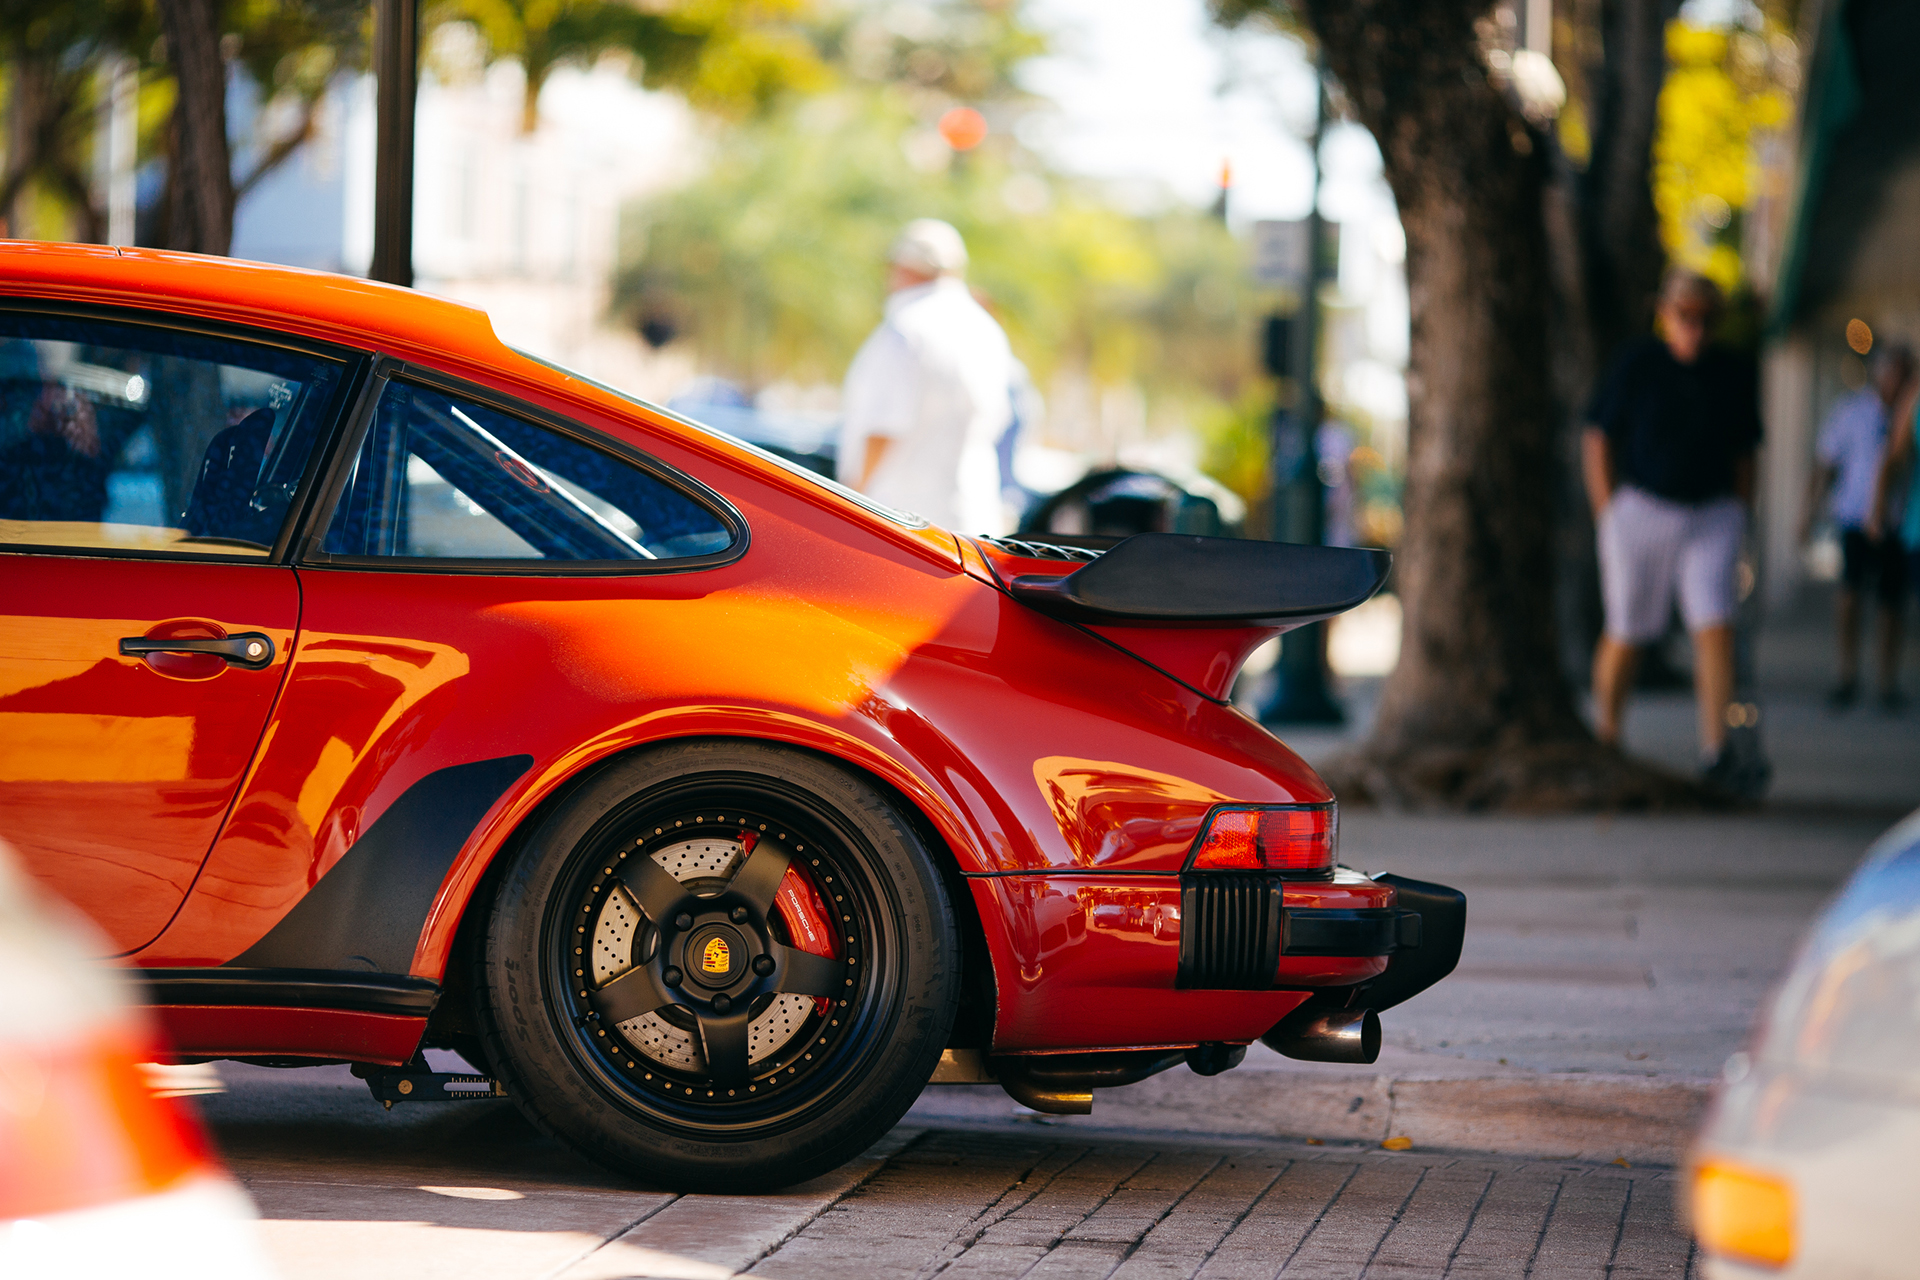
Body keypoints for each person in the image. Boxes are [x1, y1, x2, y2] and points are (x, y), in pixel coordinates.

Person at [1582, 269, 1762, 788]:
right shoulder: (1638, 363)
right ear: (1665, 314)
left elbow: (1745, 450)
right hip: (1641, 508)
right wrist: (1607, 511)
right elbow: (1598, 437)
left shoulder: (1731, 371)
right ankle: (1608, 737)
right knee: (1626, 628)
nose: (1695, 329)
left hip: (1711, 512)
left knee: (1715, 624)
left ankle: (1716, 748)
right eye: (1685, 316)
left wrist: (1741, 517)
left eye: (1706, 319)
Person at [839, 219, 1014, 533]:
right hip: (973, 522)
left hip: (902, 527)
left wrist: (848, 506)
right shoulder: (986, 329)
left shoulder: (905, 329)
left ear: (901, 267)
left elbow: (882, 428)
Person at [1805, 342, 1915, 710]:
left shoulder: (1910, 411)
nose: (1897, 380)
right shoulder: (1852, 411)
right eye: (1893, 371)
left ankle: (1887, 681)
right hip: (1855, 516)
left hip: (1899, 523)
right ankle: (1846, 673)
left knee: (1891, 604)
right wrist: (1809, 511)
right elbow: (1825, 462)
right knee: (1849, 596)